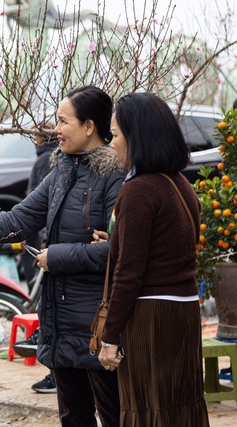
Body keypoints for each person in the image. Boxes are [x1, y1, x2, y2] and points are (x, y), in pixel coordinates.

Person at [0, 86, 125, 427]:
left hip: (98, 322)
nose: (55, 130)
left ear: (89, 126)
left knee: (115, 415)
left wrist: (55, 257)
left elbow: (119, 252)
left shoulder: (115, 177)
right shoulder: (60, 172)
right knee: (73, 417)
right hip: (61, 319)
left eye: (63, 121)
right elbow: (15, 221)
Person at [98, 92, 209, 426]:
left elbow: (129, 274)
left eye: (116, 135)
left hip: (151, 318)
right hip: (183, 311)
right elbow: (167, 247)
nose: (112, 143)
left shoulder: (138, 190)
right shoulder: (179, 184)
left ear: (137, 137)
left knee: (150, 409)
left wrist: (110, 338)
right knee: (179, 406)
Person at [14, 122, 58, 393]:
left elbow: (33, 206)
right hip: (51, 240)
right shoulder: (61, 162)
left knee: (50, 305)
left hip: (47, 241)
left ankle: (55, 373)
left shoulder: (44, 163)